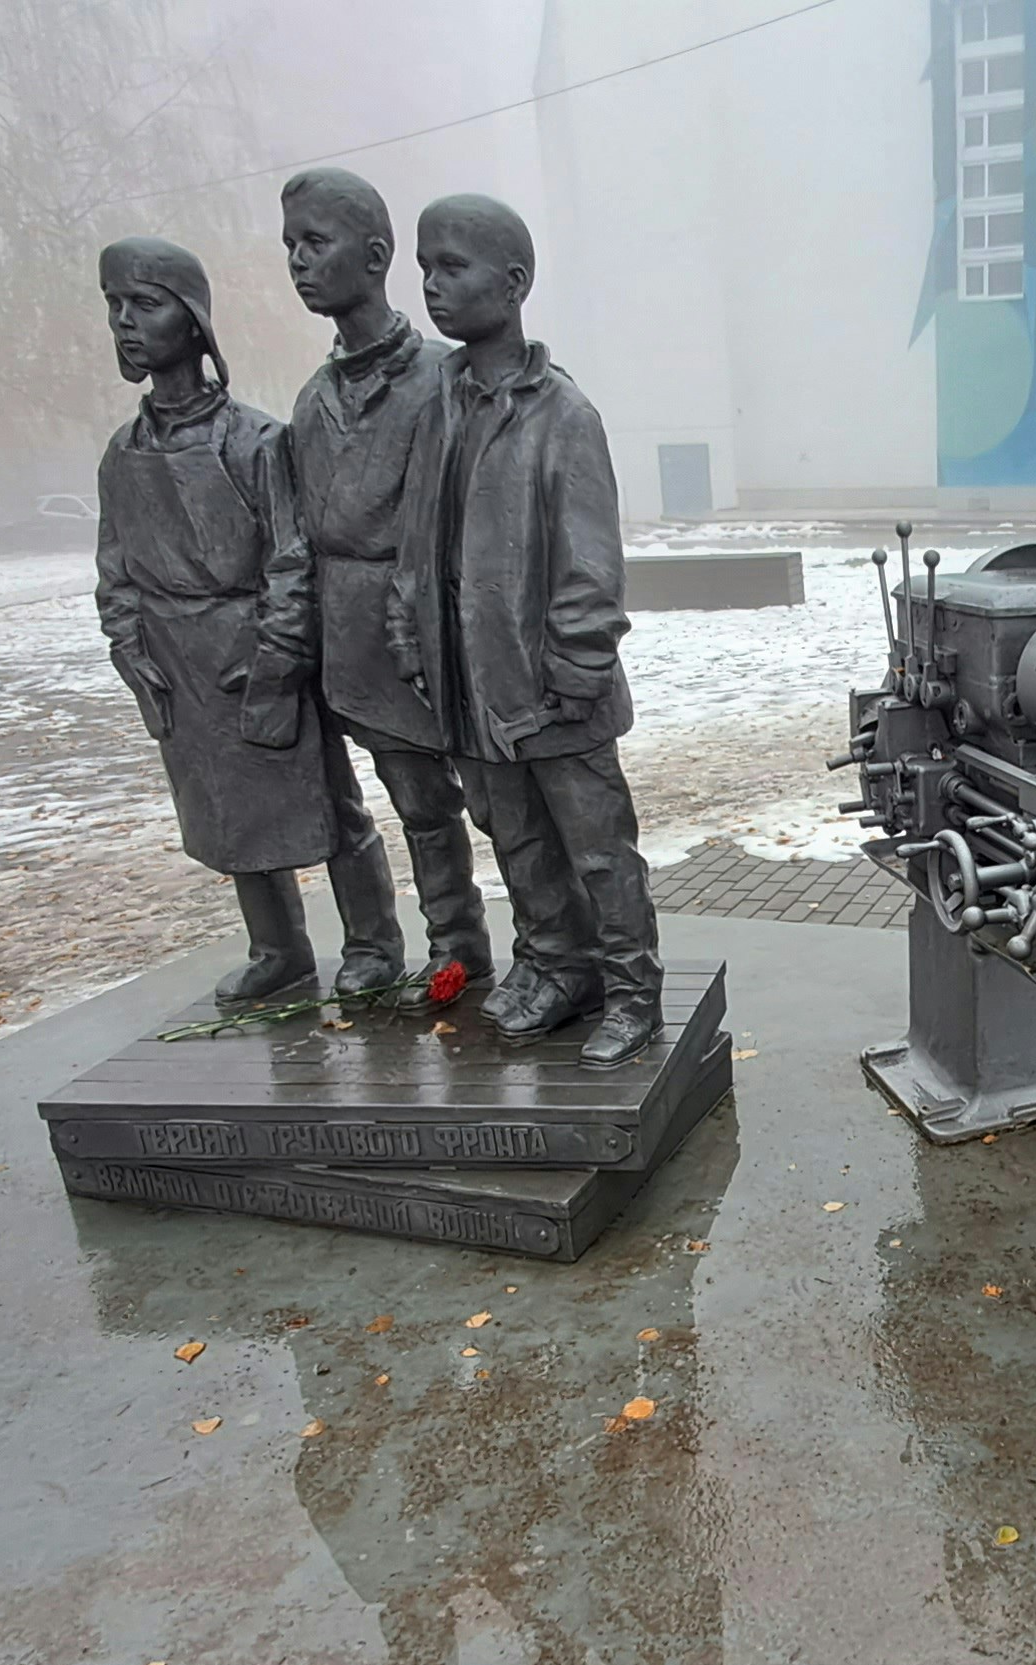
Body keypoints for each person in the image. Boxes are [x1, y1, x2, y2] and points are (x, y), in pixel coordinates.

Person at [389, 195, 666, 1069]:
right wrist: (413, 640)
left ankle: (631, 991)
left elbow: (591, 567)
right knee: (515, 842)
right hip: (471, 686)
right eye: (426, 266)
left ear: (512, 285)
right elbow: (414, 542)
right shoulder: (438, 407)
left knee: (598, 853)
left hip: (555, 694)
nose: (432, 285)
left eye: (453, 267)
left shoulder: (563, 416)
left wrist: (573, 677)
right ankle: (555, 967)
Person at [91, 235, 396, 1008]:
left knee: (327, 804)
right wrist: (133, 651)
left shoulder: (257, 443)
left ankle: (372, 942)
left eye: (145, 304)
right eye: (114, 306)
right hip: (177, 666)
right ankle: (278, 949)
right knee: (224, 815)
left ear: (194, 322)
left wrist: (275, 657)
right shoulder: (122, 454)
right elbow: (115, 569)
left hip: (257, 653)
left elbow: (295, 560)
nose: (126, 322)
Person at [277, 168, 490, 1011]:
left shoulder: (443, 375)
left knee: (491, 806)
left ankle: (539, 952)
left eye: (314, 243)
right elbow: (297, 530)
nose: (298, 263)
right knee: (408, 805)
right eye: (290, 247)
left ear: (374, 257)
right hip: (349, 632)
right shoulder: (312, 398)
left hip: (438, 626)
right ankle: (437, 946)